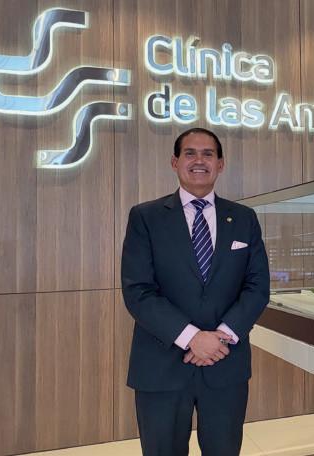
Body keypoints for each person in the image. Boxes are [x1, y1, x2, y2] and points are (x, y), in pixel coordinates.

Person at [121, 127, 270, 456]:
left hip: (224, 362)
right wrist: (192, 338)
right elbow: (138, 290)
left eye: (208, 154)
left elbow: (258, 287)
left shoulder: (243, 218)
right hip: (161, 365)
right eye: (190, 153)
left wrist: (221, 338)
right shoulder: (145, 217)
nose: (199, 160)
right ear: (175, 162)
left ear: (221, 164)